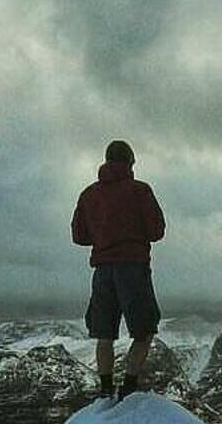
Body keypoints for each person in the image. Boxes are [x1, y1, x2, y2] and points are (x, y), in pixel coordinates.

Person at [71, 140, 166, 400]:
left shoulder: (89, 194)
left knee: (104, 333)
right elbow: (156, 231)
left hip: (102, 271)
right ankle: (129, 386)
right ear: (130, 162)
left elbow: (79, 236)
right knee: (144, 330)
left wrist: (103, 236)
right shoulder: (140, 191)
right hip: (133, 267)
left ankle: (105, 388)